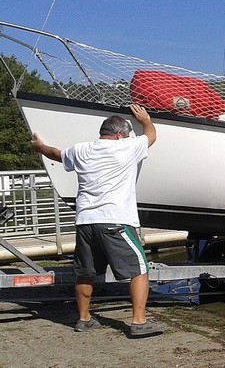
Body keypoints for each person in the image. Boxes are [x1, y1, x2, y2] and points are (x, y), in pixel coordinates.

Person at [31, 104, 165, 338]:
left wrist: (40, 147)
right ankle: (139, 322)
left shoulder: (81, 149)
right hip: (115, 221)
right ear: (120, 134)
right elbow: (151, 136)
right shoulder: (127, 147)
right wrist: (145, 119)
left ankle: (84, 319)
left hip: (85, 222)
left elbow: (57, 154)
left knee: (85, 273)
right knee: (140, 269)